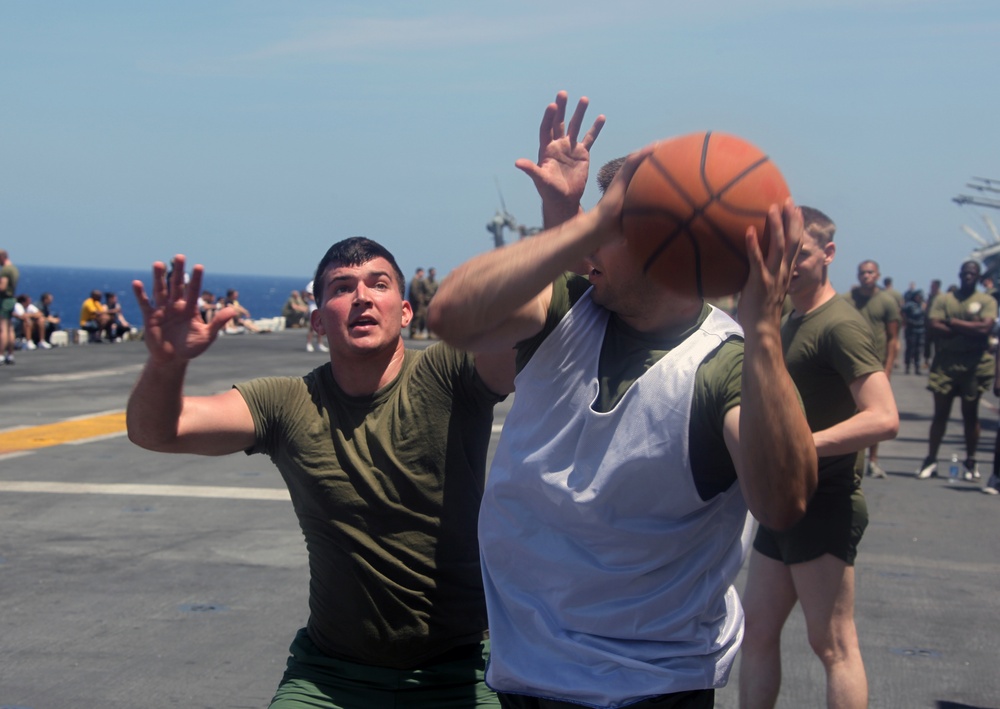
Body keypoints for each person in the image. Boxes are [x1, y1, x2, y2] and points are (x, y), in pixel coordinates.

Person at [429, 91, 817, 709]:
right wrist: (576, 216)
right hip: (525, 672)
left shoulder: (726, 365)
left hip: (648, 687)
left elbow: (783, 500)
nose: (587, 250)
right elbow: (452, 315)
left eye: (609, 232)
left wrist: (766, 328)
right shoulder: (566, 310)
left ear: (660, 244)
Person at [126, 240, 513, 708]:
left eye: (379, 284)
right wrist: (167, 363)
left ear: (406, 312)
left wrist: (564, 210)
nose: (363, 297)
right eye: (342, 288)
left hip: (464, 667)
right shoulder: (287, 403)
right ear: (316, 321)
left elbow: (544, 324)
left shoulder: (450, 373)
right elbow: (158, 431)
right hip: (331, 676)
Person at [738, 206, 898, 709]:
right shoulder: (789, 317)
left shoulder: (839, 326)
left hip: (826, 500)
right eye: (781, 255)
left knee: (833, 646)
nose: (788, 266)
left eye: (800, 254)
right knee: (757, 632)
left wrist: (804, 444)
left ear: (828, 254)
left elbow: (884, 417)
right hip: (783, 502)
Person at [916, 260, 997, 481]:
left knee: (970, 414)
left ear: (978, 277)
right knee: (940, 414)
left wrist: (952, 323)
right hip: (946, 363)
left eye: (973, 274)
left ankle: (971, 460)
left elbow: (985, 328)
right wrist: (969, 327)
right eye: (965, 273)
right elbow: (934, 325)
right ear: (959, 274)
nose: (968, 276)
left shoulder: (986, 300)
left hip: (974, 363)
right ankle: (931, 459)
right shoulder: (945, 299)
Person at [843, 260, 900, 479]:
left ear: (877, 275)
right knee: (849, 412)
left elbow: (893, 338)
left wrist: (887, 369)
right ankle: (847, 458)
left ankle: (873, 460)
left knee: (875, 413)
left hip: (875, 364)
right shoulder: (847, 300)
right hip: (848, 363)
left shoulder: (887, 302)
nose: (866, 276)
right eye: (862, 272)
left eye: (870, 272)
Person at [0, 249, 19, 364]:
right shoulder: (14, 269)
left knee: (2, 329)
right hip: (12, 299)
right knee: (10, 328)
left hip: (5, 300)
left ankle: (1, 354)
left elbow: (2, 287)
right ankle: (10, 354)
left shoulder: (5, 270)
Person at [901, 289, 926, 374]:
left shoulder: (922, 305)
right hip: (911, 330)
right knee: (910, 349)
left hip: (921, 330)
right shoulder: (910, 305)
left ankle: (917, 367)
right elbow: (903, 312)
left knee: (918, 350)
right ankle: (907, 366)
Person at [303, 280, 328, 353]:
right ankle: (309, 343)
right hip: (313, 306)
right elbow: (309, 295)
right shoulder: (311, 284)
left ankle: (319, 344)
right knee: (311, 326)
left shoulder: (322, 283)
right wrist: (320, 299)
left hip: (320, 306)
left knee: (321, 325)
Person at [408, 268, 428, 339]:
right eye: (422, 272)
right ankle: (413, 333)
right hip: (416, 304)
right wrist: (419, 300)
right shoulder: (414, 281)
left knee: (421, 317)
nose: (423, 274)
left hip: (419, 303)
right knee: (416, 317)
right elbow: (414, 293)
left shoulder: (419, 281)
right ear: (418, 272)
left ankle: (418, 332)